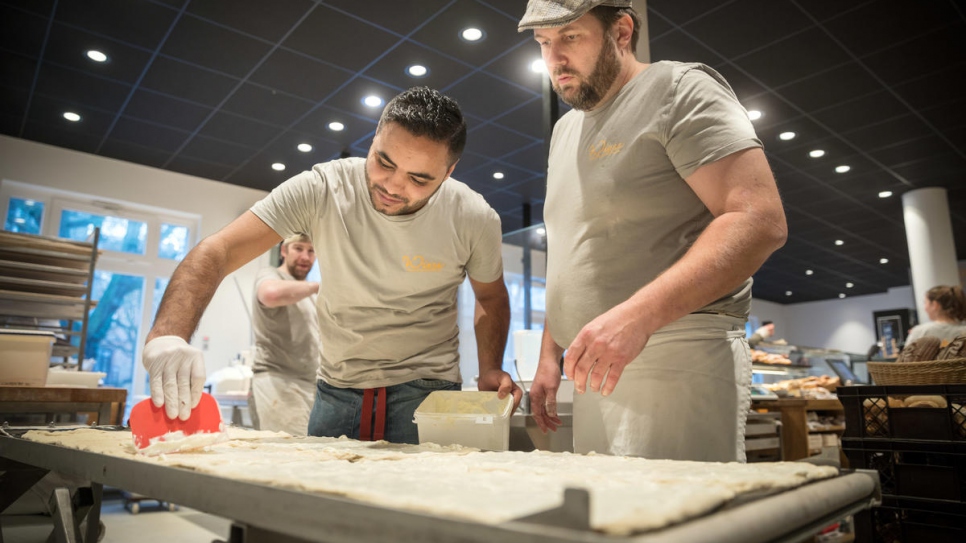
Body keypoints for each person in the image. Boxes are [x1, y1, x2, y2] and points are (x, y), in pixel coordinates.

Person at [142, 87, 521, 444]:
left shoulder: (473, 216)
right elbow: (219, 250)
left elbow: (489, 295)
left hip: (428, 387)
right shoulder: (324, 188)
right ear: (373, 139)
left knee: (415, 507)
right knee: (319, 506)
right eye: (383, 162)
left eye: (418, 179)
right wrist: (168, 335)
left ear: (449, 172)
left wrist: (490, 367)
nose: (391, 185)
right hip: (336, 385)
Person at [519, 0, 788, 462]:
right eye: (544, 43)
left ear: (621, 31)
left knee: (683, 526)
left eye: (571, 37)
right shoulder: (565, 130)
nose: (554, 58)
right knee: (613, 527)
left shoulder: (677, 88)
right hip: (594, 361)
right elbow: (572, 253)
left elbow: (758, 219)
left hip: (675, 352)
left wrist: (635, 317)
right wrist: (551, 353)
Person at [248, 233, 320, 435]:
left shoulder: (308, 293)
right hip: (278, 382)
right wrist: (318, 286)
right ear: (283, 251)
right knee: (290, 459)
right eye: (298, 248)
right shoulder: (271, 275)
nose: (305, 257)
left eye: (311, 251)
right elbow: (270, 294)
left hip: (308, 385)